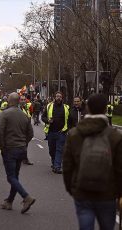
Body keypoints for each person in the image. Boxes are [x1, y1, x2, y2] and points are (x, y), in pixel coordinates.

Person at [63, 94, 122, 230]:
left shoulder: (75, 134)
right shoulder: (115, 136)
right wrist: (118, 193)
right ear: (105, 110)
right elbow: (119, 169)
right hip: (107, 193)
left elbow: (67, 166)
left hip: (82, 191)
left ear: (87, 108)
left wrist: (72, 188)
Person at [0, 92, 36, 213]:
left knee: (11, 177)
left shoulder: (5, 114)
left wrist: (2, 147)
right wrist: (24, 143)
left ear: (10, 101)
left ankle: (26, 197)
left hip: (10, 149)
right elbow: (31, 134)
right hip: (21, 149)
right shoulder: (24, 116)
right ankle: (9, 201)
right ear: (18, 101)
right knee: (15, 176)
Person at [41, 91, 70, 174]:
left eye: (60, 96)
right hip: (51, 132)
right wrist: (48, 121)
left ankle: (57, 166)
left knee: (59, 150)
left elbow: (69, 120)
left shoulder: (66, 107)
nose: (58, 98)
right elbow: (43, 117)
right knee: (52, 150)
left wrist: (66, 129)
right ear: (54, 97)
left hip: (61, 132)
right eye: (57, 96)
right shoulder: (49, 106)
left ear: (62, 98)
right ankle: (54, 163)